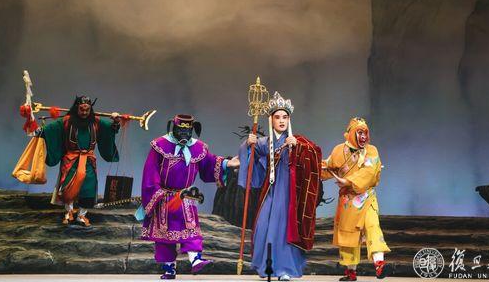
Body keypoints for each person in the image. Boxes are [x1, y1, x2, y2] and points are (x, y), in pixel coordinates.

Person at [140, 114, 240, 280]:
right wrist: (156, 193)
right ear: (173, 128)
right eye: (181, 130)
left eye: (188, 131)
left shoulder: (198, 147)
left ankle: (196, 260)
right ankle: (169, 269)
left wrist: (227, 163)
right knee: (164, 236)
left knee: (191, 229)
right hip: (165, 197)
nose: (184, 134)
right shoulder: (160, 145)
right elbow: (150, 172)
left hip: (186, 196)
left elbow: (210, 163)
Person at [238, 92, 322, 281]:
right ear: (271, 120)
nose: (282, 121)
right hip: (270, 190)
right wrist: (248, 145)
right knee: (263, 225)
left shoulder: (296, 140)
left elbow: (315, 153)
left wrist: (299, 147)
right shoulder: (265, 142)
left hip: (289, 192)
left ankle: (284, 268)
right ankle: (266, 266)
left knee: (284, 227)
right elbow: (250, 157)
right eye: (277, 117)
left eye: (285, 117)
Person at [321, 117, 390, 281]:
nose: (364, 136)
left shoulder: (371, 150)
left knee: (373, 226)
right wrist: (310, 165)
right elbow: (327, 167)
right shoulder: (339, 151)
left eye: (365, 132)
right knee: (348, 235)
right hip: (347, 200)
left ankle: (379, 263)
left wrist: (348, 181)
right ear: (351, 133)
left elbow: (369, 172)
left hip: (366, 197)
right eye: (360, 132)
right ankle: (350, 272)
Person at [41, 96, 121, 227]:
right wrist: (39, 129)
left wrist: (116, 121)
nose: (84, 112)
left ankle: (82, 215)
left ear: (90, 109)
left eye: (87, 110)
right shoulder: (67, 121)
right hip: (71, 160)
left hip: (89, 160)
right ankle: (69, 212)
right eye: (81, 110)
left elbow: (111, 129)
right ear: (76, 108)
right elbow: (51, 129)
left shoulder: (96, 122)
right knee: (68, 187)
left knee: (88, 187)